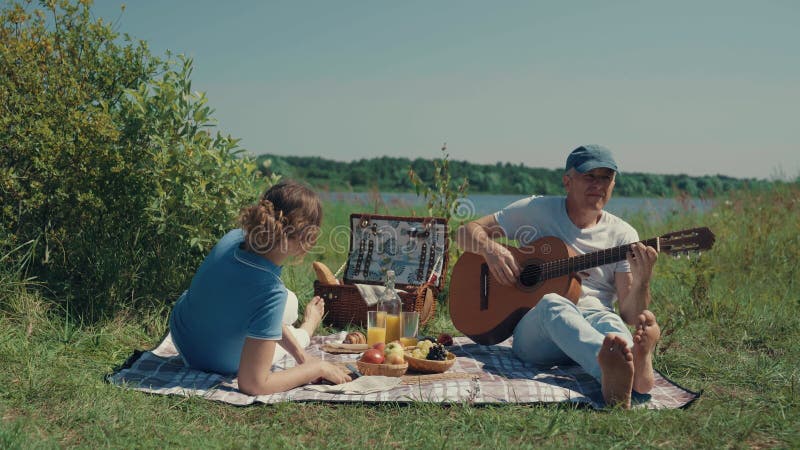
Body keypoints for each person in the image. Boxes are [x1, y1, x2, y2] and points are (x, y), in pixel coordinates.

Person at [456, 145, 661, 408]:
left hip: (598, 317)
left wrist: (643, 279)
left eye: (606, 178)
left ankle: (635, 370)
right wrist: (489, 249)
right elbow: (464, 233)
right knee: (553, 303)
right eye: (590, 176)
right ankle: (615, 372)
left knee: (614, 332)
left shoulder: (623, 235)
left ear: (613, 184)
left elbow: (631, 315)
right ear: (567, 181)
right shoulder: (537, 210)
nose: (598, 185)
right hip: (539, 331)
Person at [169, 180, 351, 395]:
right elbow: (254, 384)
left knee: (286, 301)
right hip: (217, 361)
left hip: (183, 337)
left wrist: (301, 357)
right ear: (307, 239)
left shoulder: (233, 238)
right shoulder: (272, 293)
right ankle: (306, 330)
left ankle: (301, 341)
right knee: (285, 303)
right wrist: (315, 367)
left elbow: (251, 301)